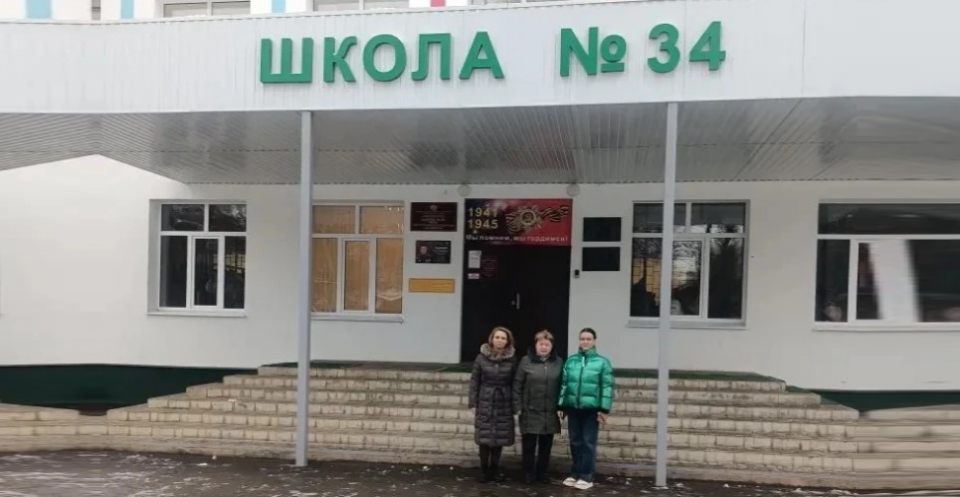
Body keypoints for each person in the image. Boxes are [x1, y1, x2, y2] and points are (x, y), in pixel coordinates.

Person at [558, 327, 614, 490]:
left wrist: (604, 409)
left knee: (588, 442)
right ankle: (575, 472)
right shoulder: (571, 361)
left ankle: (587, 475)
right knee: (575, 442)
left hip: (591, 409)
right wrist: (561, 404)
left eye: (588, 339)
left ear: (594, 341)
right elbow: (564, 384)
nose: (585, 341)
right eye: (582, 338)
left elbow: (607, 387)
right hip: (573, 408)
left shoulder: (602, 363)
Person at [513, 329, 563, 484]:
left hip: (550, 412)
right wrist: (517, 406)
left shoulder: (558, 362)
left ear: (551, 346)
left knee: (545, 446)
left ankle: (542, 473)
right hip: (530, 411)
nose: (543, 347)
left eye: (547, 344)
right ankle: (528, 473)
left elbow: (563, 385)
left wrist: (562, 406)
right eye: (541, 344)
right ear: (535, 345)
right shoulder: (526, 361)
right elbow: (517, 385)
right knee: (528, 445)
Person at [469, 326, 517, 483]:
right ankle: (484, 470)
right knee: (484, 437)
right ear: (492, 339)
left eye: (503, 338)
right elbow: (474, 381)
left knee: (499, 438)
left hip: (504, 401)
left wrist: (515, 404)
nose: (500, 340)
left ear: (507, 341)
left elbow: (515, 383)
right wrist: (473, 402)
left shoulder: (512, 359)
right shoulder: (481, 358)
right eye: (497, 337)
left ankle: (494, 469)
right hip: (485, 399)